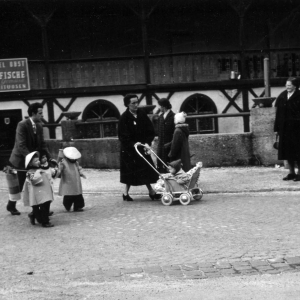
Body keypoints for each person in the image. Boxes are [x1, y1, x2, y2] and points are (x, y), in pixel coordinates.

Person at [6, 102, 54, 215]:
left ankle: (37, 211)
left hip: (33, 159)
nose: (42, 115)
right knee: (20, 183)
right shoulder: (22, 124)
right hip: (21, 159)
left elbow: (42, 144)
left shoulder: (39, 125)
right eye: (40, 113)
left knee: (37, 183)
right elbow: (21, 145)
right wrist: (32, 159)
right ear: (33, 113)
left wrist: (50, 158)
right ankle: (11, 205)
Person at [118, 94, 159, 201]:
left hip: (141, 147)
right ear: (127, 104)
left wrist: (147, 142)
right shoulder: (124, 118)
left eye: (137, 102)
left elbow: (150, 130)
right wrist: (133, 144)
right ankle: (125, 193)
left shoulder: (142, 114)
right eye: (133, 103)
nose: (136, 105)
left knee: (145, 169)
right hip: (129, 150)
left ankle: (151, 191)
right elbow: (123, 136)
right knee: (131, 172)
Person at [274, 77, 300, 181]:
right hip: (284, 129)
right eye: (286, 85)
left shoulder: (299, 95)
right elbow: (278, 113)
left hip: (297, 129)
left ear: (295, 85)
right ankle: (291, 172)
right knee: (287, 151)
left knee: (298, 151)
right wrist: (276, 128)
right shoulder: (282, 96)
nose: (287, 87)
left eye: (289, 85)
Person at [22, 151, 55, 228]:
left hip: (44, 191)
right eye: (35, 161)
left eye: (38, 160)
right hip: (36, 193)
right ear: (30, 164)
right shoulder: (30, 172)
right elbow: (34, 181)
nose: (38, 162)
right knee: (37, 207)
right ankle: (40, 219)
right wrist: (38, 172)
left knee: (45, 205)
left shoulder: (41, 168)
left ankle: (44, 220)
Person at [57, 147, 86, 212]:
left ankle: (78, 206)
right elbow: (59, 170)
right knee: (68, 195)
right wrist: (58, 170)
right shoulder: (63, 162)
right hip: (67, 181)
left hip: (76, 181)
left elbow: (79, 168)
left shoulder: (76, 162)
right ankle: (67, 206)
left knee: (78, 194)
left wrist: (81, 173)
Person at [156, 98, 175, 173]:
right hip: (161, 146)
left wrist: (170, 143)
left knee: (170, 165)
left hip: (170, 146)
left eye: (160, 106)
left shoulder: (173, 116)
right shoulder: (160, 117)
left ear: (164, 106)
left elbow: (176, 134)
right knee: (161, 164)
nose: (159, 108)